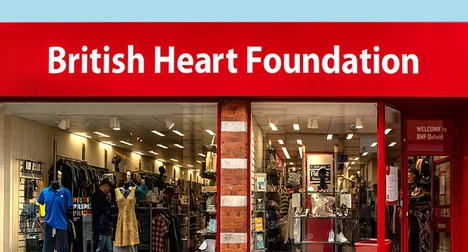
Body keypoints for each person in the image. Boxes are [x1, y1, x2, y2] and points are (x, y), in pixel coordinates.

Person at [92, 178, 113, 252]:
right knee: (100, 247)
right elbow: (106, 209)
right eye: (108, 188)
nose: (108, 191)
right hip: (101, 225)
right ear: (106, 186)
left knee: (108, 247)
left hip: (101, 225)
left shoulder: (95, 195)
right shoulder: (100, 196)